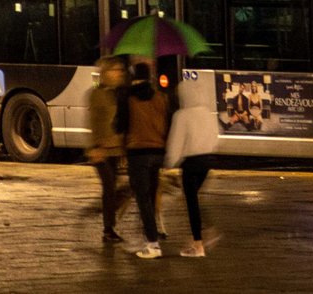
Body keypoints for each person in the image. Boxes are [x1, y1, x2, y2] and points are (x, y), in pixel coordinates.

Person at [118, 62, 170, 259]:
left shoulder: (128, 98)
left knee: (143, 199)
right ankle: (147, 238)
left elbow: (120, 125)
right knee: (150, 196)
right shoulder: (160, 97)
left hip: (137, 153)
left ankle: (152, 244)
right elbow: (167, 122)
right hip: (158, 152)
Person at [165, 81, 220, 258]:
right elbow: (215, 138)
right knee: (195, 199)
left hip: (191, 163)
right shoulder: (208, 114)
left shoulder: (182, 115)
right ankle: (205, 233)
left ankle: (198, 244)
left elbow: (176, 143)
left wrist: (170, 163)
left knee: (191, 202)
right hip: (207, 160)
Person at [87, 58, 128, 244]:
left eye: (121, 70)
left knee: (113, 188)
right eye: (115, 70)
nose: (119, 74)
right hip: (101, 150)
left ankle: (109, 224)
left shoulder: (116, 94)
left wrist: (123, 150)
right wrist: (96, 147)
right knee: (109, 187)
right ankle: (108, 229)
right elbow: (94, 122)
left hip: (114, 150)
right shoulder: (97, 94)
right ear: (106, 73)